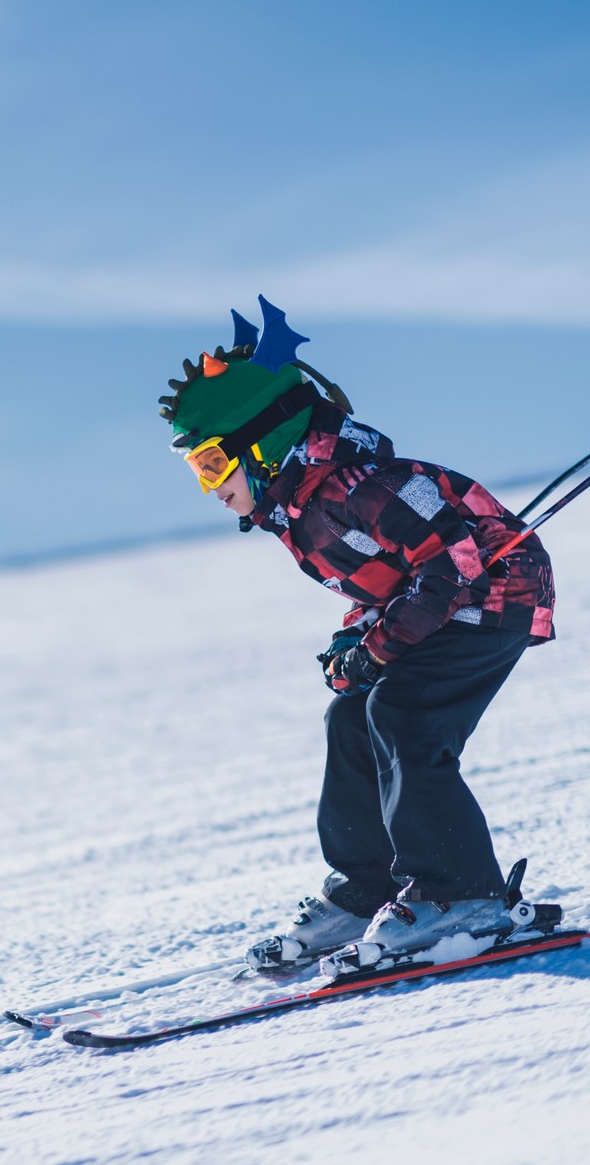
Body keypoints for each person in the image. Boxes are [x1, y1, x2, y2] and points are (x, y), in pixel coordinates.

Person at [160, 298, 556, 967]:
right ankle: (365, 893)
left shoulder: (361, 486)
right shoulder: (302, 511)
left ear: (262, 445)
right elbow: (382, 587)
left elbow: (452, 561)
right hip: (443, 605)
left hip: (494, 595)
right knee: (350, 718)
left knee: (401, 713)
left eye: (210, 466)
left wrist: (378, 649)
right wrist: (355, 642)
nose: (209, 489)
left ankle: (461, 895)